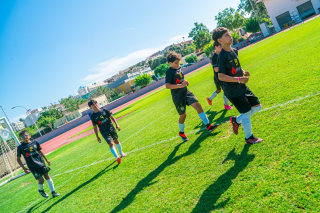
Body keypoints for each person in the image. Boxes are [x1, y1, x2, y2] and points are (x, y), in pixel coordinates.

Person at [212, 27, 263, 144]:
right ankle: (249, 137)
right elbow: (221, 76)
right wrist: (239, 79)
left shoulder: (234, 50)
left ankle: (236, 120)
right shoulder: (222, 56)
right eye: (226, 35)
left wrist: (243, 71)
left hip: (241, 86)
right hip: (232, 90)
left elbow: (234, 67)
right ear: (219, 41)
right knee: (246, 112)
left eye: (229, 34)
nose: (230, 36)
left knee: (257, 107)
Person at [165, 52, 219, 142]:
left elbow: (181, 79)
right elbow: (168, 86)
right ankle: (181, 132)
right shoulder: (169, 72)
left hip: (186, 92)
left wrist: (186, 82)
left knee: (198, 105)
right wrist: (180, 86)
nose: (178, 64)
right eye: (176, 63)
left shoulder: (179, 68)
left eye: (178, 62)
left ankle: (208, 126)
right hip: (178, 97)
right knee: (183, 115)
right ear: (170, 63)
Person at [17, 130, 60, 198]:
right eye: (22, 136)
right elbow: (18, 159)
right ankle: (41, 190)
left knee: (47, 176)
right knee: (41, 180)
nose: (24, 137)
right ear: (20, 139)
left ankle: (53, 192)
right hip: (32, 166)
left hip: (41, 163)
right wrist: (24, 168)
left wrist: (46, 159)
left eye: (26, 135)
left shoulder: (35, 142)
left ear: (29, 136)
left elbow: (40, 151)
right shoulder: (20, 147)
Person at [89, 99, 126, 164]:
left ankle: (121, 153)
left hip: (111, 128)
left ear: (97, 104)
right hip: (104, 131)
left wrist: (117, 124)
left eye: (95, 103)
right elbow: (95, 127)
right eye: (93, 105)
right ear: (90, 107)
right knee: (111, 144)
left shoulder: (105, 110)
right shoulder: (93, 116)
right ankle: (117, 157)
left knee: (116, 141)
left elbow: (112, 117)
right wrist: (97, 136)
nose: (95, 105)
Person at [207, 41, 233, 110]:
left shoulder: (223, 53)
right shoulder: (214, 57)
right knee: (224, 89)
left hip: (223, 75)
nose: (222, 47)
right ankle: (226, 105)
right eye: (220, 46)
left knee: (219, 90)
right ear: (216, 47)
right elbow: (216, 69)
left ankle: (209, 99)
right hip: (218, 77)